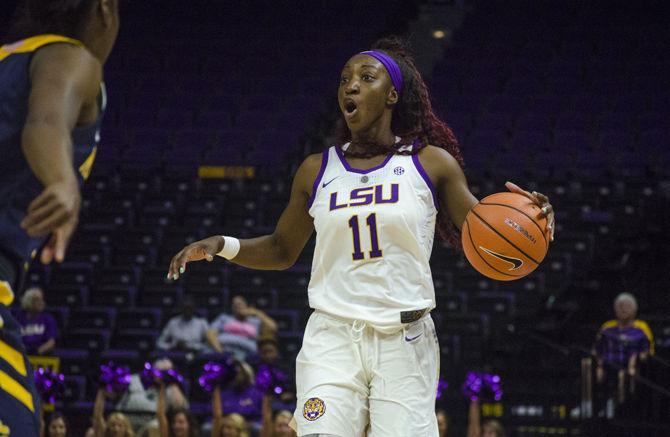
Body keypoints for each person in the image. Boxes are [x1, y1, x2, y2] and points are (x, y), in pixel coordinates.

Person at [167, 36, 555, 436]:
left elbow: (487, 228)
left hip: (405, 338)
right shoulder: (316, 170)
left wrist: (531, 220)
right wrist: (221, 245)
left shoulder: (430, 163)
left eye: (365, 77)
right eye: (344, 79)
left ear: (391, 96)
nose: (350, 85)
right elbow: (283, 249)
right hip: (333, 335)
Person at [0, 1, 119, 435]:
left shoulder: (9, 58)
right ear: (105, 10)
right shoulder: (71, 56)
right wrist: (62, 181)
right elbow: (46, 122)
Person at [207, 295, 278, 360]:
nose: (237, 306)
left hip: (247, 353)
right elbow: (210, 334)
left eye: (240, 304)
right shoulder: (224, 318)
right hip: (223, 349)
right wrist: (220, 351)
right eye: (234, 304)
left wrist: (256, 312)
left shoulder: (255, 321)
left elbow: (272, 328)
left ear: (247, 306)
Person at [15, 286, 57, 355]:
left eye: (42, 300)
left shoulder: (48, 319)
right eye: (37, 300)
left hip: (40, 356)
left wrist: (37, 352)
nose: (41, 303)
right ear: (28, 301)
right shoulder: (18, 318)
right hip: (20, 355)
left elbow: (51, 342)